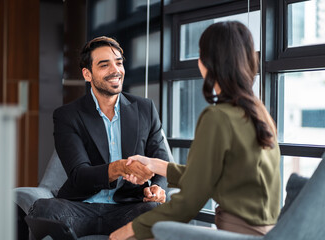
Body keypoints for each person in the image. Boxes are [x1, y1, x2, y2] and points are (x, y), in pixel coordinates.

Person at [110, 21, 281, 240]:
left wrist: (130, 229)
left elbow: (188, 204)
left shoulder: (217, 117)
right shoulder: (259, 113)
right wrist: (157, 165)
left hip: (234, 234)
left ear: (207, 62)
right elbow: (215, 179)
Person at [28, 36, 170, 237]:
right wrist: (119, 168)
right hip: (80, 208)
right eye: (104, 65)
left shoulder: (145, 109)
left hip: (128, 208)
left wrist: (156, 188)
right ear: (87, 74)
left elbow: (161, 162)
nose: (115, 70)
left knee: (154, 211)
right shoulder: (67, 115)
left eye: (119, 63)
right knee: (45, 209)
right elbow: (79, 175)